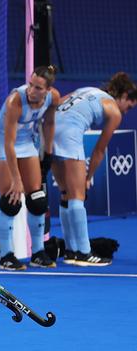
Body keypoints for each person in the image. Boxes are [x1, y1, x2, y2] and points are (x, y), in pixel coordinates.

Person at [52, 72, 137, 266]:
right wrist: (87, 177)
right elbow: (99, 149)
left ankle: (71, 251)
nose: (125, 112)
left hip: (49, 131)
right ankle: (83, 252)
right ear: (123, 97)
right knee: (77, 196)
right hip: (69, 134)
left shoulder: (87, 90)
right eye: (129, 107)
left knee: (65, 193)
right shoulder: (114, 111)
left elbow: (57, 104)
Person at [0, 66, 61, 270]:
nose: (31, 90)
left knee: (37, 199)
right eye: (30, 84)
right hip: (2, 143)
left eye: (38, 87)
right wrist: (16, 179)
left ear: (47, 90)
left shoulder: (53, 98)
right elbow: (8, 143)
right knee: (11, 199)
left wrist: (47, 154)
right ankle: (7, 256)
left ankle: (37, 252)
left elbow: (49, 124)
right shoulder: (16, 101)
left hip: (26, 142)